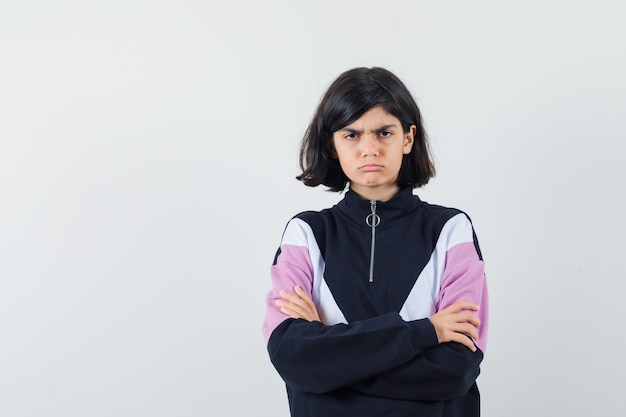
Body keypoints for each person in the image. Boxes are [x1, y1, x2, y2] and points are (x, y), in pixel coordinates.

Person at [262, 67, 489, 417]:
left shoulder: (450, 230)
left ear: (408, 139)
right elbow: (292, 358)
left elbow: (454, 370)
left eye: (384, 132)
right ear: (332, 145)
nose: (369, 149)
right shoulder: (306, 234)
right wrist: (425, 332)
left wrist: (330, 362)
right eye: (351, 135)